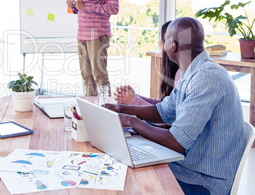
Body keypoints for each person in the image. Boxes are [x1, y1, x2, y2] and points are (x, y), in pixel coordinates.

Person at [105, 17, 245, 194]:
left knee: (132, 180)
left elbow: (177, 142)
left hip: (203, 182)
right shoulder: (192, 73)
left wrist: (132, 122)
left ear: (173, 46)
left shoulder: (206, 78)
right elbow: (164, 111)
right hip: (187, 167)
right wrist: (121, 109)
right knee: (125, 164)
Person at [66, 0, 119, 96]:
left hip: (97, 35)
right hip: (81, 35)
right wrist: (73, 6)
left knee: (99, 76)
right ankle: (91, 111)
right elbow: (81, 9)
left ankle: (106, 112)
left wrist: (86, 6)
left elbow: (114, 8)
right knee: (86, 76)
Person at [114, 20, 181, 105]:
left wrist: (133, 100)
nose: (158, 42)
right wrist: (133, 97)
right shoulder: (178, 72)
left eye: (159, 36)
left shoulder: (181, 75)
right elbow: (164, 106)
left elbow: (168, 116)